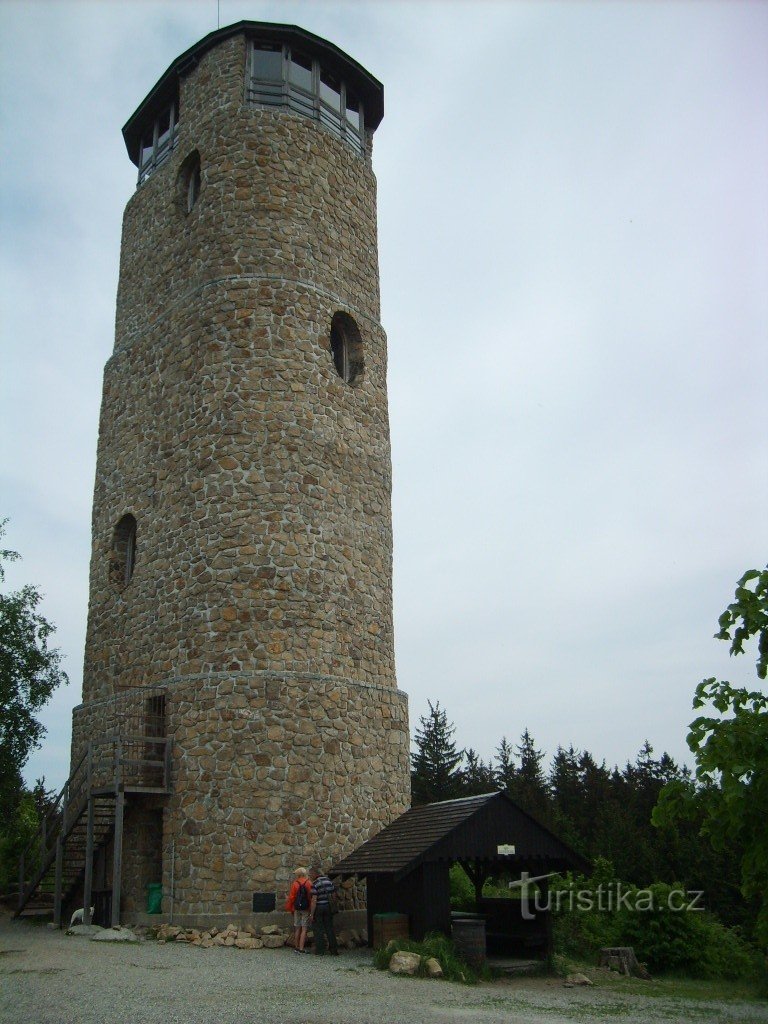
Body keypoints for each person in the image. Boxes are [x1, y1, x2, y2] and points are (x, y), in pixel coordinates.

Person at [309, 865, 338, 956]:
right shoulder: (329, 881)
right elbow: (334, 896)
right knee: (329, 928)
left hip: (319, 908)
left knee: (318, 929)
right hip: (328, 907)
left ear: (314, 874)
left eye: (310, 874)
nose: (310, 876)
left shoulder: (315, 884)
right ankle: (334, 950)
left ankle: (320, 950)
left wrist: (311, 914)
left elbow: (314, 900)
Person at [285, 867, 312, 954]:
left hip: (297, 908)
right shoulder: (308, 883)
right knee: (304, 929)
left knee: (297, 928)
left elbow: (292, 898)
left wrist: (290, 908)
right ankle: (301, 948)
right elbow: (311, 897)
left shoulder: (295, 884)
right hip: (306, 909)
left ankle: (296, 947)